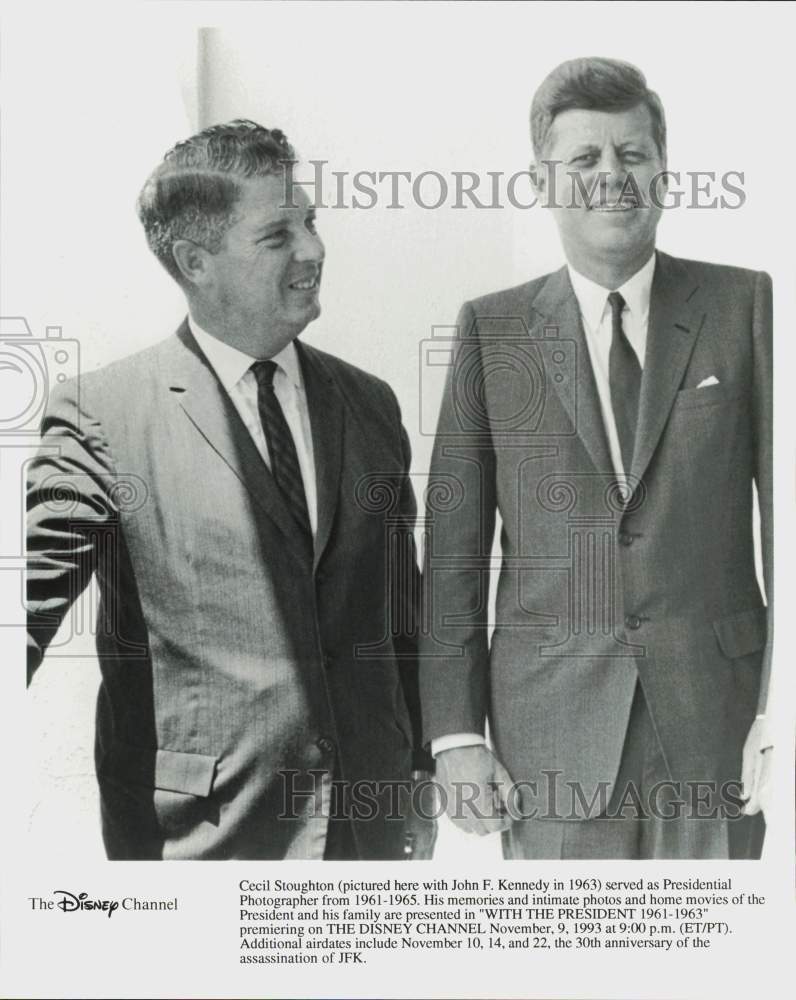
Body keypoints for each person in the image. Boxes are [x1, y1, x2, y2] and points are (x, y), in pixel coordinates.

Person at [26, 120, 432, 860]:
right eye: (277, 235)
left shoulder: (369, 404)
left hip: (369, 836)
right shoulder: (102, 416)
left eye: (310, 222)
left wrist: (424, 768)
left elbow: (403, 609)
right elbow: (23, 609)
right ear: (195, 261)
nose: (313, 250)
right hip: (203, 847)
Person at [420, 58, 772, 859]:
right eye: (584, 160)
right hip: (549, 737)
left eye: (633, 154)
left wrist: (779, 709)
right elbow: (453, 558)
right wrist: (452, 735)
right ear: (545, 182)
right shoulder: (492, 331)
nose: (612, 177)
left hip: (718, 725)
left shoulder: (745, 304)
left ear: (664, 170)